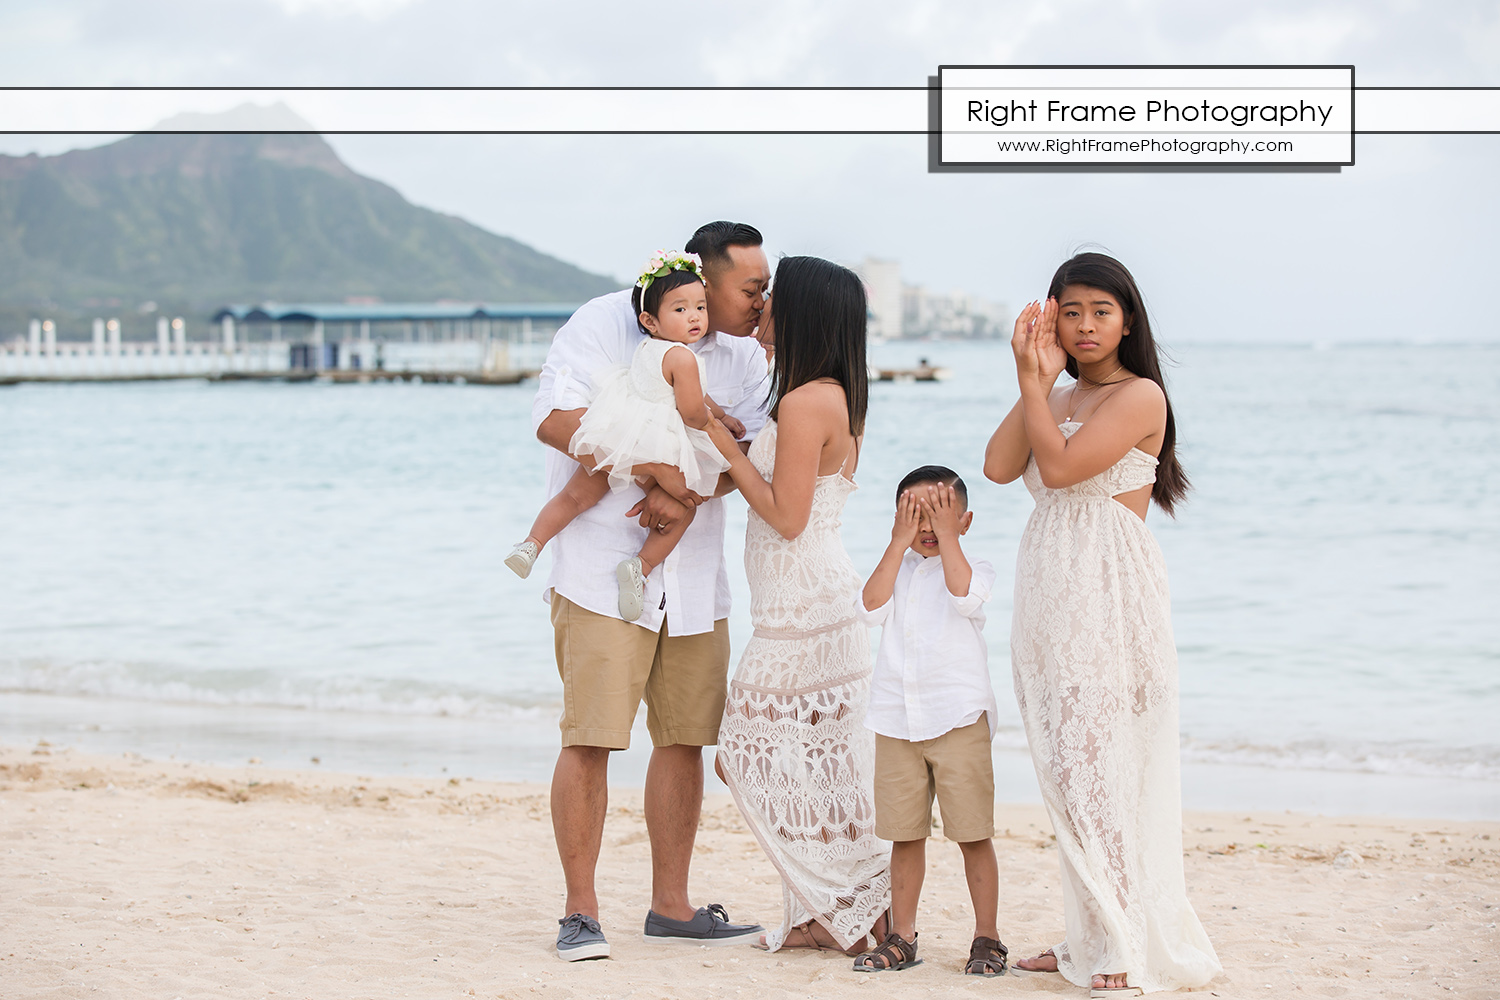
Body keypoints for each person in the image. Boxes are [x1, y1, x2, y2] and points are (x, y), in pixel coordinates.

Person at [531, 222, 772, 961]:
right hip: (604, 566)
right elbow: (555, 423)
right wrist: (658, 472)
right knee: (592, 735)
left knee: (684, 738)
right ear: (701, 278)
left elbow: (753, 455)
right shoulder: (605, 322)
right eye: (751, 289)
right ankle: (580, 912)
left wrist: (691, 493)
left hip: (695, 574)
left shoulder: (748, 358)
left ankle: (672, 906)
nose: (762, 303)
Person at [983, 252, 1221, 995]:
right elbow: (998, 466)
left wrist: (1034, 384)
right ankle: (1087, 931)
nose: (1086, 327)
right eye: (1072, 311)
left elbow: (1057, 472)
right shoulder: (1055, 395)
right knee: (1064, 763)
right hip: (1051, 584)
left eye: (1101, 312)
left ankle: (1117, 941)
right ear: (1052, 314)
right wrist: (1039, 380)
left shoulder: (1140, 395)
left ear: (1128, 321)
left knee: (1100, 765)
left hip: (1108, 587)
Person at [704, 255, 891, 956]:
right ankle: (826, 912)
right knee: (816, 762)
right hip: (807, 601)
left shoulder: (806, 401)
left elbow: (786, 516)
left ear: (805, 312)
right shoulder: (833, 394)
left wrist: (723, 443)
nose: (763, 305)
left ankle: (854, 904)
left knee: (746, 757)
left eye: (774, 296)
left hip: (805, 608)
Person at [506, 250, 746, 622]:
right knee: (683, 505)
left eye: (700, 307)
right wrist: (716, 426)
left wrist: (722, 412)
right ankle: (641, 566)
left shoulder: (648, 347)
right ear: (649, 319)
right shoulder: (684, 358)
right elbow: (693, 409)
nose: (695, 316)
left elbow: (692, 393)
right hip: (661, 438)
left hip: (623, 429)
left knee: (574, 495)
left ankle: (531, 544)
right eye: (680, 310)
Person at [851, 466, 1007, 976]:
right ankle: (903, 935)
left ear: (964, 520)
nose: (926, 524)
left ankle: (987, 936)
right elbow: (869, 608)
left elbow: (964, 595)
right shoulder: (895, 568)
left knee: (972, 833)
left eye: (938, 513)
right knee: (904, 834)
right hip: (897, 718)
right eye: (915, 513)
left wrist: (946, 537)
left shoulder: (974, 564)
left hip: (957, 716)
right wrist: (897, 544)